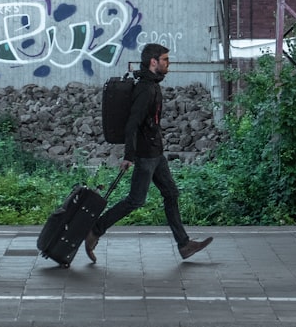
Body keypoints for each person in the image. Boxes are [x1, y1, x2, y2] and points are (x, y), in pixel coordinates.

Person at [85, 43, 212, 263]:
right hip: (146, 154)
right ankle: (94, 230)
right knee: (135, 200)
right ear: (153, 62)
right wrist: (128, 155)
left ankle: (184, 245)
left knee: (171, 193)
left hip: (156, 153)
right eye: (165, 60)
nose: (167, 64)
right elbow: (132, 123)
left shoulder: (153, 84)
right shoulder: (145, 89)